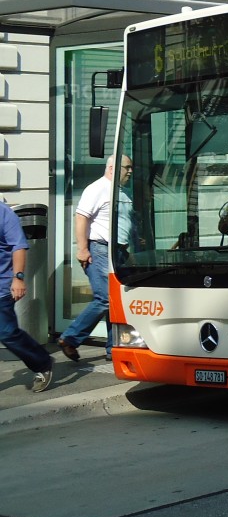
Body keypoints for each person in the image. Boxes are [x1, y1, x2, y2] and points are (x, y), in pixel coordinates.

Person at [60, 154, 132, 363]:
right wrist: (82, 249)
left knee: (115, 301)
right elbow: (81, 217)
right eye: (126, 167)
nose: (129, 171)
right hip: (100, 249)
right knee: (105, 298)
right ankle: (70, 338)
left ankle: (114, 349)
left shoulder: (123, 193)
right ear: (112, 168)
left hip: (119, 252)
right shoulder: (97, 188)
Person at [0, 200, 54, 391]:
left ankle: (42, 363)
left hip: (2, 284)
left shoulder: (4, 213)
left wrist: (18, 278)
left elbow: (19, 247)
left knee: (7, 333)